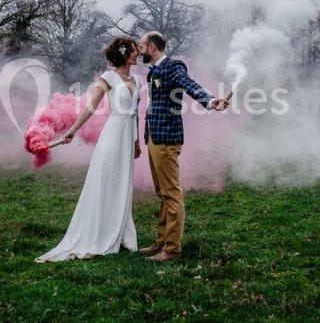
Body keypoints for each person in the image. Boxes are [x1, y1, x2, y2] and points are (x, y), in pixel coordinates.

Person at [34, 37, 142, 263]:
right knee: (107, 181)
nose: (137, 53)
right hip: (113, 137)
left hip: (127, 138)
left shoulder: (138, 80)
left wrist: (136, 142)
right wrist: (71, 131)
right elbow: (91, 108)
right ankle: (99, 233)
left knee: (124, 184)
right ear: (123, 54)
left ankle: (120, 232)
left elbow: (135, 114)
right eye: (133, 51)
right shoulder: (108, 78)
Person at [137, 31, 229, 262]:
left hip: (167, 139)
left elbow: (190, 85)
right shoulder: (154, 71)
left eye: (141, 46)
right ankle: (161, 241)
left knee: (171, 193)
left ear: (151, 47)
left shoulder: (172, 66)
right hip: (154, 137)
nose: (139, 50)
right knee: (162, 192)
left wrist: (210, 101)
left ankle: (172, 249)